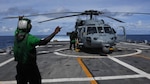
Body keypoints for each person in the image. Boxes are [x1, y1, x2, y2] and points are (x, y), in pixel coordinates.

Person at [13, 16, 61, 84]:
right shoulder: (30, 38)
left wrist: (20, 20)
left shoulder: (16, 34)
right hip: (30, 66)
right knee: (35, 81)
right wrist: (55, 33)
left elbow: (18, 28)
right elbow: (44, 42)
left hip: (20, 66)